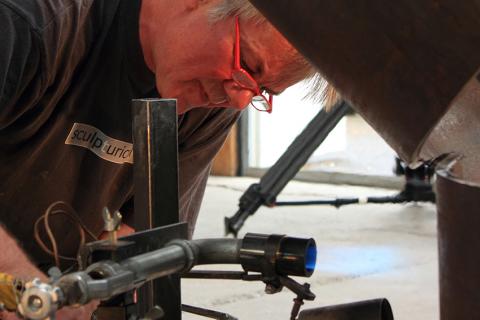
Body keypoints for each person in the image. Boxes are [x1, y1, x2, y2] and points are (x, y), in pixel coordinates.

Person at [0, 0, 318, 318]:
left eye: (262, 90)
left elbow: (144, 235)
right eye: (247, 64)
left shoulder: (212, 102)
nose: (239, 100)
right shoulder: (33, 23)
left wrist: (79, 300)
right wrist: (26, 290)